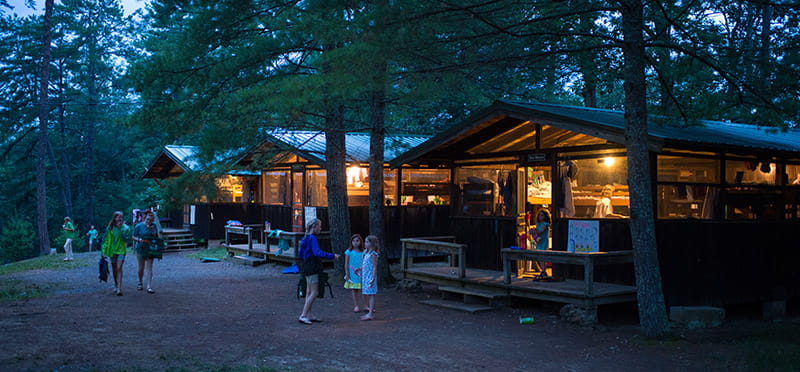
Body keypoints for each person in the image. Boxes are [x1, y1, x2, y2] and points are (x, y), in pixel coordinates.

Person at [298, 218, 339, 325]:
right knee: (314, 292)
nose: (320, 228)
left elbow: (300, 254)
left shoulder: (305, 237)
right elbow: (317, 252)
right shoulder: (312, 238)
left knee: (309, 291)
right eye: (319, 226)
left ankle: (309, 314)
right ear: (314, 226)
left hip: (306, 265)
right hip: (312, 266)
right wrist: (332, 256)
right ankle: (303, 315)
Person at [101, 211, 131, 296]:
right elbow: (106, 240)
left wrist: (120, 229)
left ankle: (119, 288)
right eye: (118, 217)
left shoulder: (125, 228)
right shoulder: (110, 228)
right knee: (114, 268)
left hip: (121, 251)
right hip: (112, 251)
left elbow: (127, 238)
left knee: (119, 267)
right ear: (114, 218)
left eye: (121, 217)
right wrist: (103, 251)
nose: (120, 218)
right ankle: (116, 284)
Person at [133, 210, 161, 294]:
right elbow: (133, 236)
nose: (149, 220)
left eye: (151, 219)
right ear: (145, 217)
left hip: (150, 248)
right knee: (141, 267)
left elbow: (157, 237)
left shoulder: (154, 226)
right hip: (141, 248)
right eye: (148, 218)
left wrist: (152, 231)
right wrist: (139, 240)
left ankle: (149, 286)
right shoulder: (139, 226)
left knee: (149, 267)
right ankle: (140, 282)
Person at [360, 235, 380, 321]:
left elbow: (374, 267)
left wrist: (373, 278)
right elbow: (366, 265)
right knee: (367, 293)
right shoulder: (366, 253)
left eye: (367, 242)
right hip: (365, 276)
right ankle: (369, 312)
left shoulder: (373, 254)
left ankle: (371, 313)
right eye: (365, 242)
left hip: (370, 276)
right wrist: (360, 269)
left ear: (372, 243)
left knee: (371, 294)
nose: (365, 243)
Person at [343, 234, 365, 313]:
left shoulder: (363, 252)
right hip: (352, 273)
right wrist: (347, 273)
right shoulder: (348, 252)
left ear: (360, 242)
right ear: (351, 242)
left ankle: (366, 305)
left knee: (364, 289)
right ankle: (356, 305)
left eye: (357, 241)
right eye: (353, 241)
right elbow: (346, 263)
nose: (355, 243)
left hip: (362, 272)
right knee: (354, 289)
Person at [529, 209, 551, 278]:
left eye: (542, 215)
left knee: (543, 256)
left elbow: (541, 231)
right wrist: (533, 231)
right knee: (539, 256)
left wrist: (534, 232)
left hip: (544, 241)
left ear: (545, 216)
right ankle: (543, 270)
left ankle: (544, 270)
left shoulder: (546, 224)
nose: (540, 217)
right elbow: (537, 230)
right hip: (539, 241)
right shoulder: (537, 223)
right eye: (539, 215)